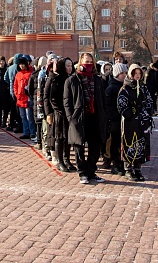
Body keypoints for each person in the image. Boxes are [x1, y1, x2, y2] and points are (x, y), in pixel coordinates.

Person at [63, 53, 107, 184]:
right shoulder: (72, 80)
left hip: (95, 117)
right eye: (85, 61)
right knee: (78, 147)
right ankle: (82, 172)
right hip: (79, 118)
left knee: (95, 146)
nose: (88, 64)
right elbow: (67, 101)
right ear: (80, 63)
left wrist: (104, 116)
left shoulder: (98, 80)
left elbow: (102, 100)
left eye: (90, 61)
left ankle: (91, 171)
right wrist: (71, 117)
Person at [117, 63, 154, 182]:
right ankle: (128, 169)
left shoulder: (143, 87)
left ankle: (138, 168)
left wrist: (147, 113)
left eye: (139, 73)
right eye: (135, 73)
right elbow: (121, 105)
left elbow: (149, 101)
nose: (137, 76)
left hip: (143, 122)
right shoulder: (125, 88)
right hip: (130, 122)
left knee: (142, 144)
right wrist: (131, 115)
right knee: (130, 143)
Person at [44, 57, 76, 172]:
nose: (70, 68)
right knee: (60, 138)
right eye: (67, 65)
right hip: (60, 114)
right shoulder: (56, 79)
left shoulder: (71, 78)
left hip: (69, 113)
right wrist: (57, 111)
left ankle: (67, 159)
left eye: (71, 65)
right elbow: (51, 98)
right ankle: (60, 160)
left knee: (68, 138)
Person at [105, 63, 128, 176]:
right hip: (115, 121)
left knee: (124, 143)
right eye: (122, 73)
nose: (124, 75)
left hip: (125, 120)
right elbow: (108, 106)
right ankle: (115, 164)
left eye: (125, 73)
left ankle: (123, 164)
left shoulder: (126, 86)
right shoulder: (111, 88)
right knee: (115, 144)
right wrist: (115, 116)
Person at [13, 56, 36, 140]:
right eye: (20, 64)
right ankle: (26, 132)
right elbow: (15, 85)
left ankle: (32, 132)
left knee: (29, 116)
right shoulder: (18, 74)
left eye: (23, 64)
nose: (21, 66)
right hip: (20, 98)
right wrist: (16, 94)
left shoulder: (30, 73)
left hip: (28, 98)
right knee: (23, 117)